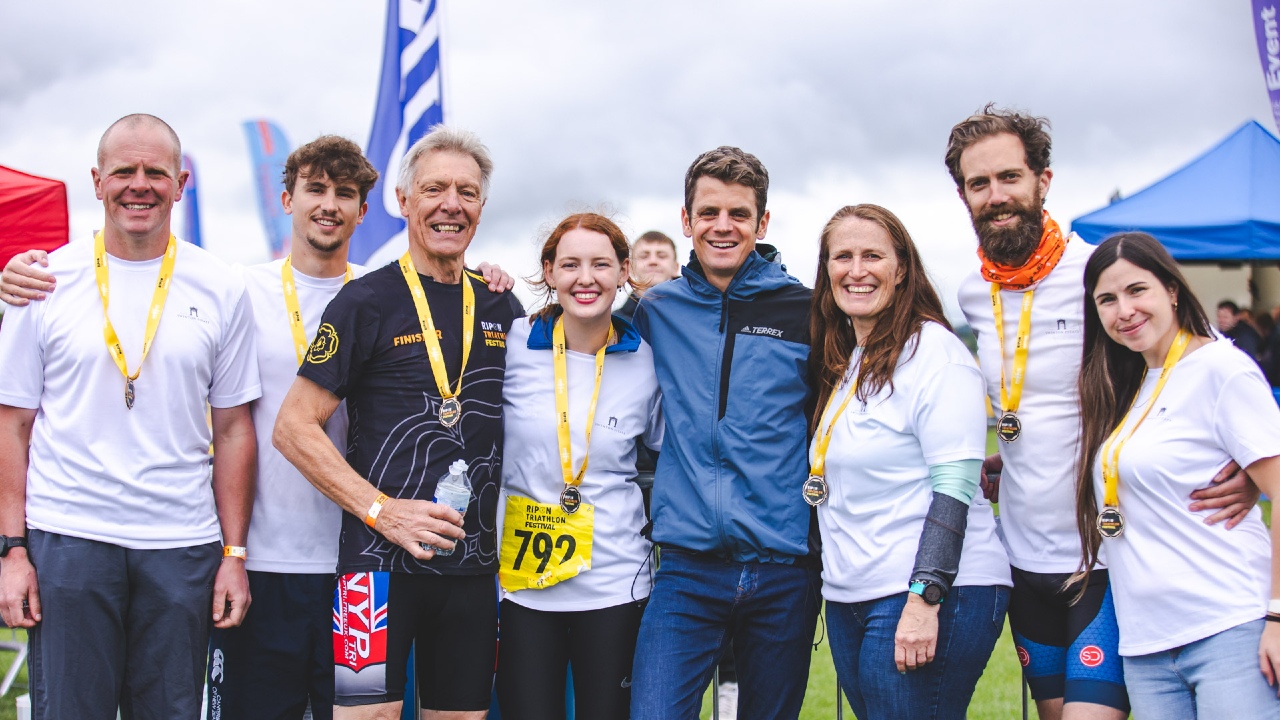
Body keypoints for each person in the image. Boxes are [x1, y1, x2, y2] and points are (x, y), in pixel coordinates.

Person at [946, 105, 1256, 720]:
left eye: (1010, 177)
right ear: (963, 194)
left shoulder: (1099, 275)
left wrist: (1253, 462)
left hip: (1107, 558)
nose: (996, 195)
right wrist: (1001, 455)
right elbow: (1029, 407)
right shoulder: (973, 295)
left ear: (1044, 180)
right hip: (1024, 556)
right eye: (978, 184)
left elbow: (1203, 360)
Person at [0, 114, 260, 718]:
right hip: (70, 539)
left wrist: (234, 555)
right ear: (97, 181)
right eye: (123, 171)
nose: (138, 185)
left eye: (155, 172)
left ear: (181, 182)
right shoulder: (43, 282)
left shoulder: (220, 286)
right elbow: (12, 425)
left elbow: (234, 428)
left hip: (180, 545)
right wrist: (12, 551)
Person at [274, 125, 523, 719]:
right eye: (434, 189)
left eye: (466, 192)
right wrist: (381, 510)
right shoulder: (365, 300)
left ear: (481, 209)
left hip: (472, 567)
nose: (450, 204)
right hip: (372, 569)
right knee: (368, 716)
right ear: (404, 202)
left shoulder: (500, 304)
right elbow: (293, 427)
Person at [628, 146, 820, 720]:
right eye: (708, 212)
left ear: (762, 223)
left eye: (739, 213)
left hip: (782, 567)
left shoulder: (808, 310)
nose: (722, 226)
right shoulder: (655, 310)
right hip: (686, 566)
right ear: (686, 221)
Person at [809, 204, 1011, 719]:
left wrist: (925, 598)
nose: (857, 270)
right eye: (843, 257)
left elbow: (954, 486)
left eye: (873, 255)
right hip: (855, 592)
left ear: (901, 269)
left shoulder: (934, 353)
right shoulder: (850, 358)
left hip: (927, 591)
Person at [1074, 232, 1280, 717]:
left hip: (1228, 628)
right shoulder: (1129, 384)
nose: (1123, 310)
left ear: (1171, 289)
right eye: (1107, 299)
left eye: (1136, 290)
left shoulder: (1220, 369)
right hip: (1147, 645)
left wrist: (1278, 614)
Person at [495, 212, 661, 720]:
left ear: (624, 271)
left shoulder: (647, 360)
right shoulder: (512, 343)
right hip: (524, 587)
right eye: (569, 264)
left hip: (615, 583)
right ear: (548, 272)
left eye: (601, 265)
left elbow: (665, 448)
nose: (585, 279)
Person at [616, 230, 680, 322]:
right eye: (644, 256)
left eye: (661, 256)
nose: (653, 261)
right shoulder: (615, 325)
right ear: (630, 268)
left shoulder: (695, 313)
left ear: (675, 267)